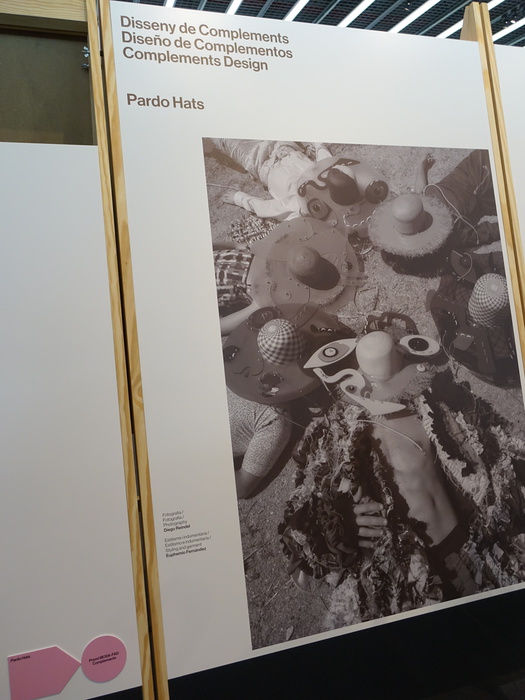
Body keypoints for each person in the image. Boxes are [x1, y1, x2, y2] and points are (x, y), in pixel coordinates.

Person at [207, 139, 332, 221]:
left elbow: (266, 208)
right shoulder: (327, 183)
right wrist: (318, 144)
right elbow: (326, 161)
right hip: (282, 145)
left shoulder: (300, 208)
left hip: (258, 161)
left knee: (226, 140)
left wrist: (239, 198)